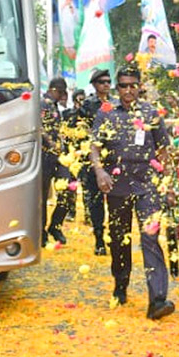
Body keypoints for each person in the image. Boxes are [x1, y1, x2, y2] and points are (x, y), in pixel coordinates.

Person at [89, 65, 174, 319]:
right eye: (123, 86)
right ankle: (121, 284)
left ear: (139, 86)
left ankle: (157, 300)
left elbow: (164, 150)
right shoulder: (106, 112)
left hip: (147, 183)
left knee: (150, 238)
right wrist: (99, 172)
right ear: (118, 88)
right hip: (117, 185)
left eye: (132, 85)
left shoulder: (150, 112)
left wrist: (167, 184)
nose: (128, 90)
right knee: (119, 238)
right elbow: (94, 146)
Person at [76, 69, 114, 255]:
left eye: (108, 81)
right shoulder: (88, 105)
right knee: (96, 201)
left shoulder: (115, 103)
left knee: (116, 199)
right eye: (102, 82)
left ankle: (115, 237)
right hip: (93, 159)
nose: (106, 85)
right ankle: (99, 239)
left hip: (113, 158)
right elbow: (79, 132)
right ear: (94, 85)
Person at [39, 77, 75, 246]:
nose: (62, 96)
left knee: (68, 190)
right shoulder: (42, 103)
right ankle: (41, 233)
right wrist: (50, 142)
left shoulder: (55, 107)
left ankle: (55, 225)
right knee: (43, 196)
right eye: (61, 93)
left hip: (59, 156)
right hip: (45, 155)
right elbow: (39, 127)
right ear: (54, 90)